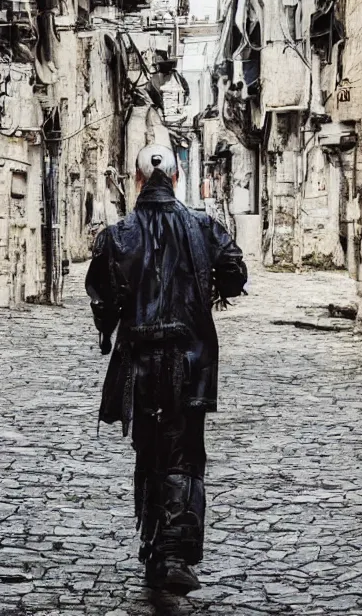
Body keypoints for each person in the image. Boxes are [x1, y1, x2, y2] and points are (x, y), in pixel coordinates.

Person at [86, 143, 247, 595]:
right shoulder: (202, 227)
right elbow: (236, 269)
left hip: (140, 362)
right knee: (184, 452)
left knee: (150, 450)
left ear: (138, 181)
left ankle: (160, 546)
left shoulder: (119, 234)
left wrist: (112, 319)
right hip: (189, 360)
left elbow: (102, 295)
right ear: (175, 179)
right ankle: (171, 551)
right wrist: (213, 290)